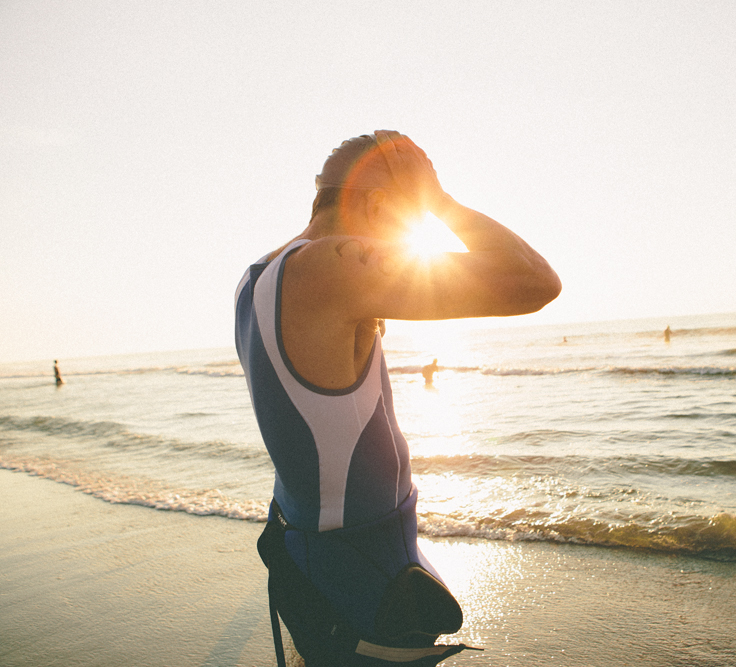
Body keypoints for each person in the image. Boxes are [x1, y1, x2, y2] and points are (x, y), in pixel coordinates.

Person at [234, 131, 561, 666]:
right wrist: (442, 202)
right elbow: (535, 281)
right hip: (364, 585)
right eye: (409, 217)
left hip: (308, 557)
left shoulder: (255, 278)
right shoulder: (329, 269)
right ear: (378, 202)